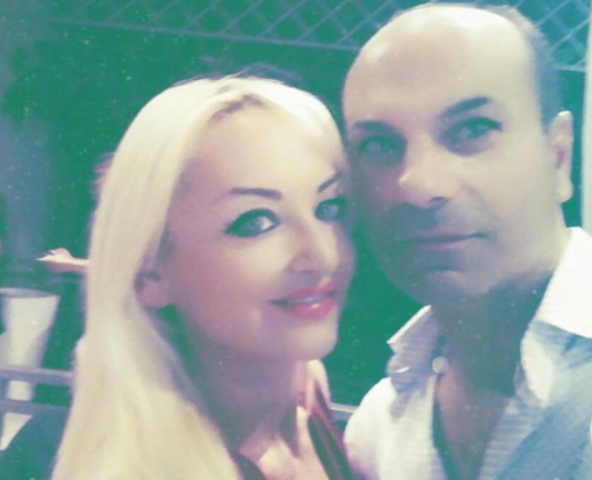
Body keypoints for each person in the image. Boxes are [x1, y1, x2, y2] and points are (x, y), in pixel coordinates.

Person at [2, 75, 355, 480]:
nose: (323, 254)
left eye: (329, 208)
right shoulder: (72, 461)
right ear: (150, 271)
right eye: (256, 222)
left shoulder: (309, 398)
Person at [342, 3, 592, 480]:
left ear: (558, 155)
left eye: (472, 129)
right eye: (379, 145)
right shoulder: (376, 433)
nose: (419, 185)